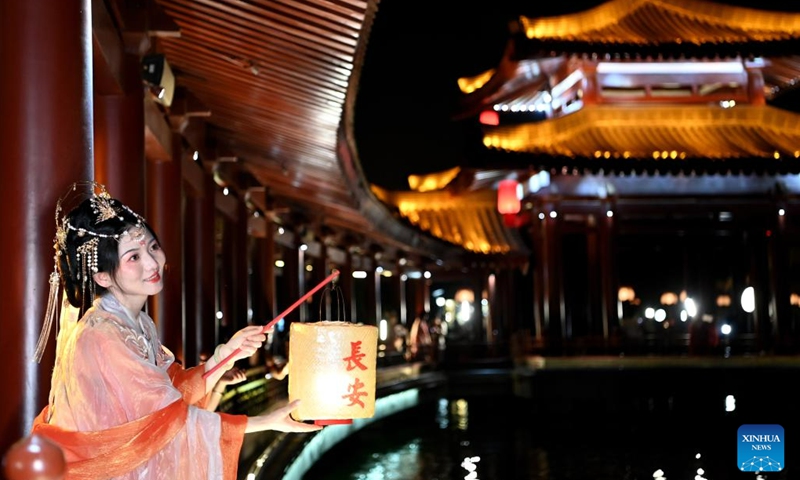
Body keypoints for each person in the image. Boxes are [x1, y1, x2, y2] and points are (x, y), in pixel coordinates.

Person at [30, 182, 321, 479]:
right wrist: (264, 421)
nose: (152, 262)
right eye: (134, 257)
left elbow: (170, 390)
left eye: (153, 247)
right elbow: (166, 417)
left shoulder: (138, 322)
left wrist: (227, 354)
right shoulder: (103, 335)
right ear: (102, 276)